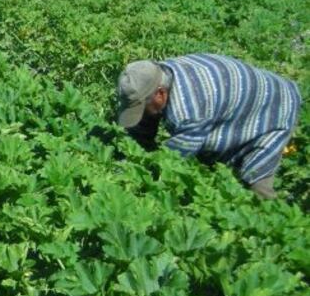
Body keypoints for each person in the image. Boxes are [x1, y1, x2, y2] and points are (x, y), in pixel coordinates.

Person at [116, 54, 302, 200]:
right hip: (235, 96)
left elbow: (172, 160)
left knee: (256, 179)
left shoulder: (189, 109)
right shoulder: (159, 74)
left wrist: (141, 177)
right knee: (152, 113)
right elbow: (144, 126)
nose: (140, 112)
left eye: (141, 106)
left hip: (275, 105)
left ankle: (271, 227)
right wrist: (129, 157)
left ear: (160, 94)